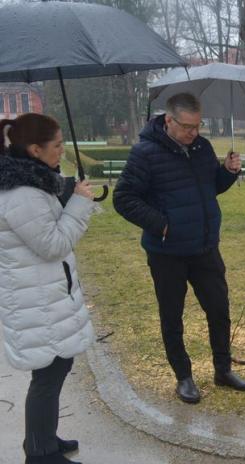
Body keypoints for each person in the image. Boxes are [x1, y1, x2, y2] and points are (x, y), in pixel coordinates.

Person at [113, 93, 245, 404]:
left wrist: (227, 173)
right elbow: (123, 199)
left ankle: (223, 369)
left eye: (197, 126)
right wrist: (162, 224)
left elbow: (208, 187)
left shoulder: (202, 148)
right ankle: (184, 377)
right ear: (169, 121)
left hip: (204, 247)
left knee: (219, 309)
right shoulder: (144, 153)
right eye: (187, 126)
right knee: (172, 316)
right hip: (167, 253)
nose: (193, 132)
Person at [0, 113, 96, 464]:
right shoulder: (22, 193)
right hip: (34, 300)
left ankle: (43, 439)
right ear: (35, 149)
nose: (62, 151)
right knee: (48, 376)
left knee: (55, 370)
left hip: (43, 296)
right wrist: (80, 203)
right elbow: (53, 245)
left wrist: (68, 192)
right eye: (57, 146)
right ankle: (40, 454)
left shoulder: (34, 182)